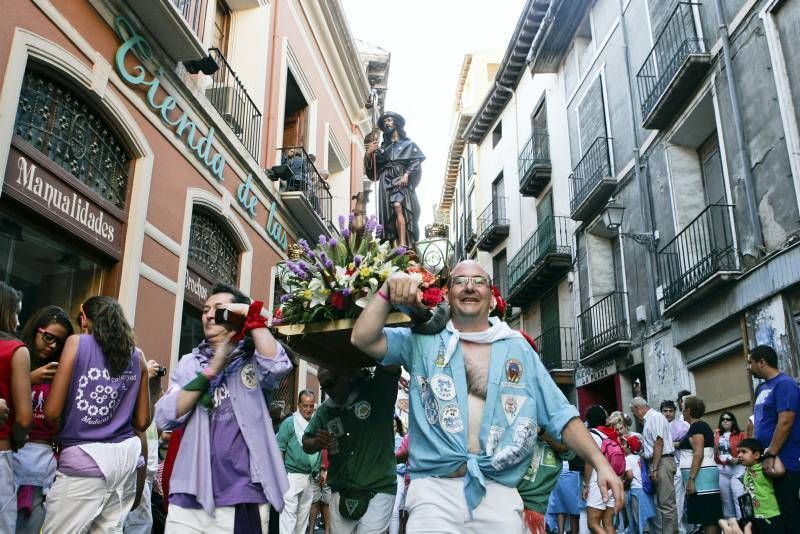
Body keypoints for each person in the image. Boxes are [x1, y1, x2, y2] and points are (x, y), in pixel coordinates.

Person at [351, 261, 623, 532]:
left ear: (492, 299)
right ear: (446, 295)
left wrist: (601, 464)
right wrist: (387, 291)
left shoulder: (517, 348)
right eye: (459, 281)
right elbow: (362, 339)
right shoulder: (421, 340)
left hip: (498, 491)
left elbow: (560, 415)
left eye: (479, 281)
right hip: (433, 493)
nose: (469, 286)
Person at [155, 283, 293, 533]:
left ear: (234, 316)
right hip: (188, 491)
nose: (208, 314)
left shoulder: (251, 360)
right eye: (205, 309)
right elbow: (164, 416)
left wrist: (250, 313)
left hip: (238, 495)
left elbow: (278, 365)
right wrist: (212, 370)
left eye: (219, 310)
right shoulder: (190, 363)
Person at [42, 296, 150, 532]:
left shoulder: (76, 343)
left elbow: (50, 412)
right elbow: (142, 422)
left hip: (83, 463)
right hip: (124, 464)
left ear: (84, 319)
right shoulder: (138, 356)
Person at [302, 365, 400, 534]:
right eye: (324, 386)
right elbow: (306, 442)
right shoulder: (326, 410)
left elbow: (391, 365)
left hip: (378, 489)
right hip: (340, 491)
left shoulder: (376, 391)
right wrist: (317, 442)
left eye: (331, 383)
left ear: (346, 376)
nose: (328, 391)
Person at [15, 306, 73, 533]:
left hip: (43, 468)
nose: (52, 346)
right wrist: (28, 378)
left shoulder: (61, 372)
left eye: (60, 342)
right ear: (35, 330)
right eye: (48, 337)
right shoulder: (16, 356)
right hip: (11, 456)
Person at [748, 344, 800, 527]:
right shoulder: (761, 388)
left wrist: (771, 454)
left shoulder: (785, 384)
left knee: (790, 514)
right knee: (775, 517)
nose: (748, 367)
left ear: (762, 362)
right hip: (767, 462)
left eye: (750, 362)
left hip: (786, 461)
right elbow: (760, 422)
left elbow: (785, 422)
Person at [364, 111, 425, 247]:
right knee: (388, 213)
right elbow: (373, 172)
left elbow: (416, 161)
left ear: (396, 123)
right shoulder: (382, 149)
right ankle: (394, 245)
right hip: (385, 180)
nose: (387, 123)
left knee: (399, 207)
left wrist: (407, 174)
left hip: (400, 177)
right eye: (385, 121)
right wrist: (369, 154)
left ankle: (404, 244)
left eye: (389, 120)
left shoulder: (409, 144)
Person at [0, 282, 33, 532]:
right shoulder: (16, 350)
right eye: (16, 313)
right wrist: (18, 440)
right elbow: (24, 419)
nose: (18, 322)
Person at [124, 359, 165, 533]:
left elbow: (161, 426)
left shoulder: (146, 390)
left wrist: (154, 384)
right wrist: (142, 376)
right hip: (130, 469)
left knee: (141, 525)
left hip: (147, 470)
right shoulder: (126, 384)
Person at [630, 396, 677, 534]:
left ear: (638, 408)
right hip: (658, 460)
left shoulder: (654, 417)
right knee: (661, 503)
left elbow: (659, 442)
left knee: (666, 504)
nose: (634, 415)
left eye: (633, 412)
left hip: (662, 461)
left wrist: (655, 467)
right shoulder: (649, 419)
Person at [278, 390, 321, 534]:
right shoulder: (289, 423)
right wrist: (282, 476)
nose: (308, 409)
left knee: (303, 519)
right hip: (291, 476)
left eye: (311, 406)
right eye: (305, 406)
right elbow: (280, 450)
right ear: (299, 405)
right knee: (288, 518)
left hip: (309, 477)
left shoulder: (316, 423)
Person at [678, 396, 722, 533]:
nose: (681, 410)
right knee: (706, 516)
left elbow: (698, 453)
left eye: (683, 407)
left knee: (708, 516)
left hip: (702, 477)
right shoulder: (697, 427)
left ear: (689, 410)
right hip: (702, 475)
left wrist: (691, 479)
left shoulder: (697, 426)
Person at [517, 431, 571, 534]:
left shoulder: (558, 428)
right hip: (509, 499)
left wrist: (541, 432)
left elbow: (568, 452)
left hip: (535, 508)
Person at [736, 438, 785, 534]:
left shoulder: (763, 468)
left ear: (756, 455)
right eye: (738, 452)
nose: (739, 455)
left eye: (744, 452)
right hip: (754, 517)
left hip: (770, 515)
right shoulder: (746, 471)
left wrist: (772, 454)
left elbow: (780, 471)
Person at [583, 405, 617, 534]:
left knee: (593, 523)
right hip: (612, 481)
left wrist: (586, 485)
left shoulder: (591, 436)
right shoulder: (609, 435)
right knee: (608, 523)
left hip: (597, 482)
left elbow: (589, 463)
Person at [662, 399, 689, 534]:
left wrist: (670, 444)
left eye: (670, 411)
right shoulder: (658, 424)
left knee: (678, 500)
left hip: (679, 464)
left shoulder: (682, 425)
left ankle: (679, 529)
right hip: (664, 466)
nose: (668, 414)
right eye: (665, 411)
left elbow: (686, 443)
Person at [714, 411, 746, 520]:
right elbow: (714, 452)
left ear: (733, 421)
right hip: (722, 469)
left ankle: (743, 523)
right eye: (723, 419)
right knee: (726, 500)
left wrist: (738, 459)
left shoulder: (741, 434)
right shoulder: (717, 434)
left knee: (738, 496)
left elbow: (746, 451)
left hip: (737, 468)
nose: (725, 421)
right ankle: (731, 527)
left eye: (728, 419)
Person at [623, 435, 655, 534]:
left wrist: (624, 484)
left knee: (639, 516)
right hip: (645, 489)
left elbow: (630, 475)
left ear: (629, 447)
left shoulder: (628, 459)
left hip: (636, 491)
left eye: (625, 445)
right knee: (647, 517)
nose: (623, 447)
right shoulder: (640, 458)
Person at [389, 415, 407, 534]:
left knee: (395, 511)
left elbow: (402, 463)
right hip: (382, 477)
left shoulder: (401, 440)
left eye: (394, 426)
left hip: (397, 476)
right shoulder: (379, 440)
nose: (392, 428)